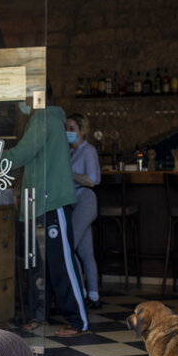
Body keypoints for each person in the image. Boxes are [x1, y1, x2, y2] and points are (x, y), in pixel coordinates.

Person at [2, 93, 88, 337]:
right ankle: (39, 315)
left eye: (26, 94)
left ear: (38, 95)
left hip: (51, 202)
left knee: (61, 263)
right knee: (38, 265)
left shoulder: (44, 120)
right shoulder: (46, 119)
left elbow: (21, 155)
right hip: (36, 203)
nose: (22, 101)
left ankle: (77, 320)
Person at [66, 113, 102, 310]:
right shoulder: (72, 152)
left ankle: (80, 292)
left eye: (72, 129)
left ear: (81, 130)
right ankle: (94, 296)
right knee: (85, 251)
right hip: (75, 202)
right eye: (67, 129)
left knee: (69, 248)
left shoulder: (88, 151)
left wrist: (69, 173)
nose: (68, 132)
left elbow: (92, 180)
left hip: (85, 199)